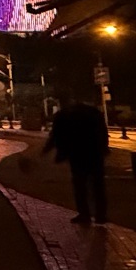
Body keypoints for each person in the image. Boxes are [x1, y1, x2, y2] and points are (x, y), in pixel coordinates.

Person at [44, 94, 109, 223]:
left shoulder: (63, 115)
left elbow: (55, 135)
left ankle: (84, 214)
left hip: (77, 154)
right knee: (98, 185)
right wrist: (104, 148)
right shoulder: (93, 112)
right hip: (95, 152)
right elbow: (103, 131)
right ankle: (101, 215)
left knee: (80, 185)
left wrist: (46, 150)